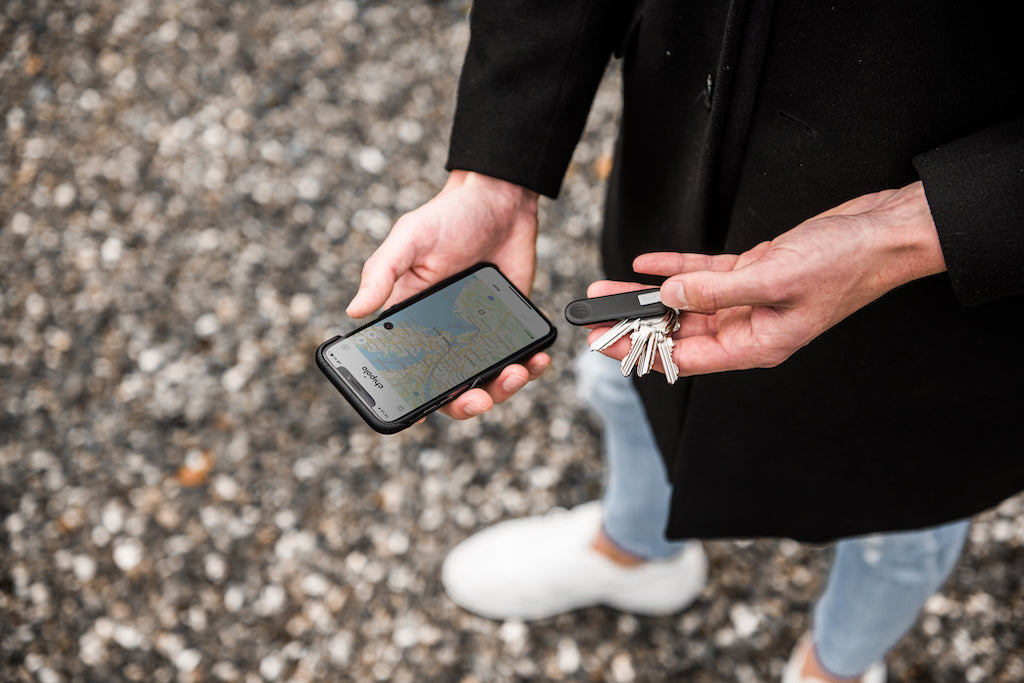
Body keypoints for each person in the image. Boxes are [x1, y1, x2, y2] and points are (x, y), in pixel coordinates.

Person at [346, 1, 1024, 680]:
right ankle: (635, 550)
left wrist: (916, 229)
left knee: (902, 511)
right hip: (677, 183)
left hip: (947, 293)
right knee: (632, 383)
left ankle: (835, 665)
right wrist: (494, 172)